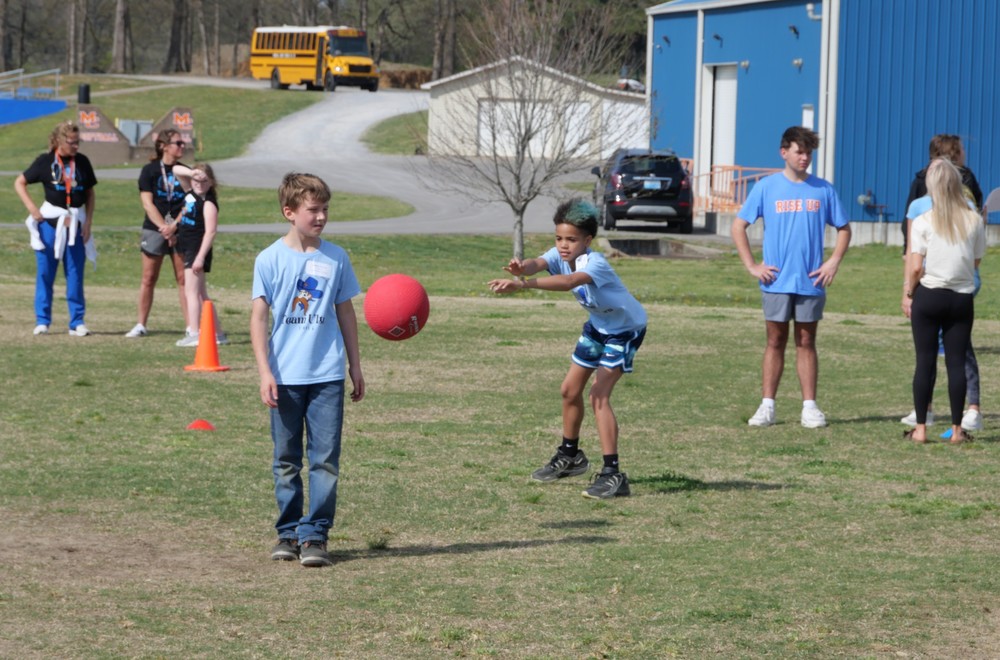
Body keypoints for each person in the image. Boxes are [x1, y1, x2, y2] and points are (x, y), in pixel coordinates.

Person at [488, 198, 647, 500]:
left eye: (571, 240)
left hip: (625, 331)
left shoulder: (594, 263)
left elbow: (569, 281)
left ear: (587, 240)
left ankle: (613, 475)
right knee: (568, 390)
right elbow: (539, 263)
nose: (563, 245)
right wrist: (520, 268)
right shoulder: (558, 253)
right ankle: (570, 456)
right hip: (598, 327)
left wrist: (523, 285)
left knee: (598, 395)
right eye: (559, 238)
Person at [251, 172, 365, 567]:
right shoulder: (268, 259)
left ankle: (315, 535)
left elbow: (346, 312)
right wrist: (265, 372)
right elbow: (258, 319)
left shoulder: (336, 257)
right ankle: (287, 533)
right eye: (312, 210)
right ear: (289, 212)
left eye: (325, 209)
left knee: (325, 459)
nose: (321, 217)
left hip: (327, 376)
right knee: (286, 459)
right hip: (284, 378)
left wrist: (355, 365)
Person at [732, 126, 851, 428]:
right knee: (775, 340)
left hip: (810, 281)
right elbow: (738, 226)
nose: (805, 157)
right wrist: (752, 266)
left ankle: (809, 407)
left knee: (806, 340)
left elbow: (844, 229)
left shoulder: (823, 189)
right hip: (776, 281)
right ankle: (767, 406)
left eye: (809, 152)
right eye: (800, 151)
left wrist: (833, 262)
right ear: (784, 152)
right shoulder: (765, 187)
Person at [899, 134, 984, 432]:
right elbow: (975, 262)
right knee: (956, 362)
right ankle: (958, 429)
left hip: (929, 295)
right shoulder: (974, 220)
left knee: (925, 362)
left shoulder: (923, 220)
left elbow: (915, 265)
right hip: (961, 296)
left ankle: (921, 427)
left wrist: (910, 290)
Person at [14, 121, 97, 336]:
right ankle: (42, 320)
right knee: (45, 273)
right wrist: (32, 208)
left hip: (75, 226)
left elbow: (89, 193)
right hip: (49, 226)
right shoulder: (45, 161)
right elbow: (19, 182)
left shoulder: (83, 162)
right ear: (60, 141)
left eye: (79, 142)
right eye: (72, 142)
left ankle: (77, 321)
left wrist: (87, 222)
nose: (76, 146)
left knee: (75, 274)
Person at [125, 129, 189, 338]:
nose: (182, 146)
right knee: (148, 277)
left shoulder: (185, 170)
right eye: (178, 143)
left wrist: (175, 226)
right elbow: (147, 202)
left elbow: (190, 202)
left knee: (183, 279)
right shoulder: (150, 170)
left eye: (182, 143)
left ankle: (191, 327)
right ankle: (141, 324)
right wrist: (164, 227)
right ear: (164, 146)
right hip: (154, 228)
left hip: (180, 229)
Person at [170, 163, 227, 348]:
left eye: (204, 181)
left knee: (191, 293)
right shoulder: (190, 192)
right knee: (202, 294)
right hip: (188, 248)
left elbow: (210, 232)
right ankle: (218, 334)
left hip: (197, 250)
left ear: (211, 183)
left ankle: (194, 332)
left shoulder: (208, 203)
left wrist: (200, 257)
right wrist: (192, 172)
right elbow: (175, 170)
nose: (199, 184)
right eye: (196, 179)